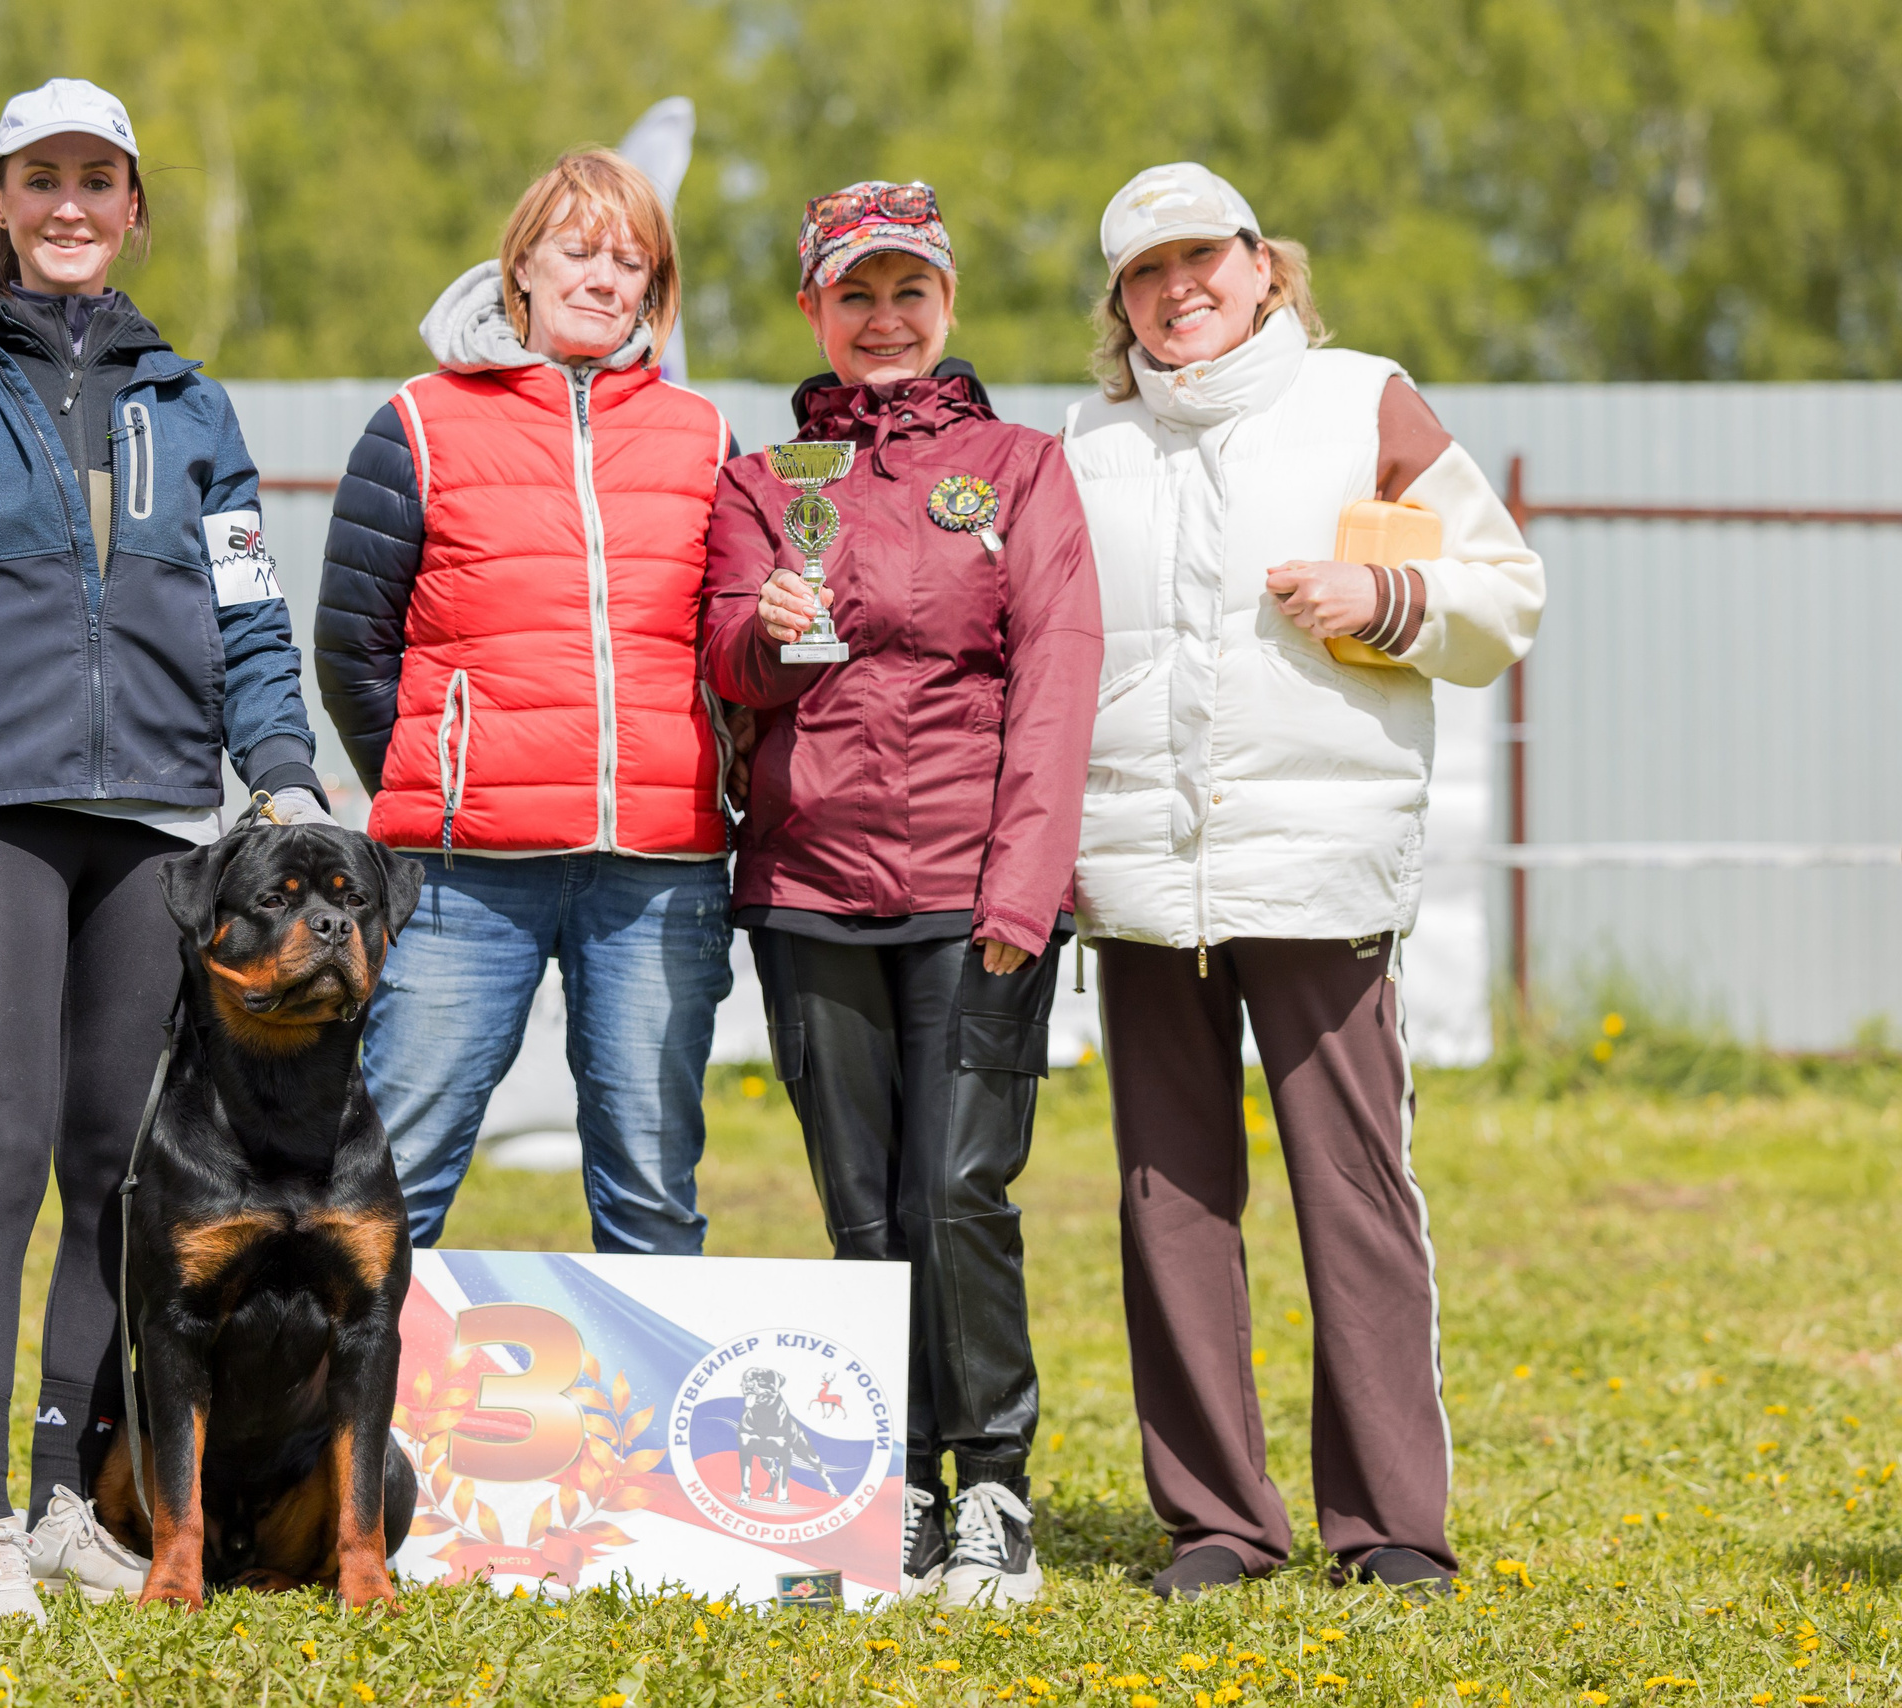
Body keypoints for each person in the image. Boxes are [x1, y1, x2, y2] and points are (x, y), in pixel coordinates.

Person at [0, 77, 329, 1623]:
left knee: (116, 1173)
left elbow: (248, 610)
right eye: (41, 180)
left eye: (98, 179)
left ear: (136, 204)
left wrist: (283, 777)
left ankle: (54, 1500)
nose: (71, 206)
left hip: (160, 820)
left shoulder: (196, 402)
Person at [1063, 163, 1545, 1600]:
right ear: (1121, 302)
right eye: (1147, 272)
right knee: (1170, 1203)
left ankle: (1392, 1525)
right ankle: (1217, 1520)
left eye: (1203, 257)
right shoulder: (1086, 446)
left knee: (1354, 1190)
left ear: (1265, 264)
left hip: (1323, 876)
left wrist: (1385, 599)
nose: (1179, 288)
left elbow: (1505, 593)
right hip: (1143, 880)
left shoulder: (1363, 400)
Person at [699, 182, 1101, 1607]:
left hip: (972, 893)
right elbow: (730, 663)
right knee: (860, 1206)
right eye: (854, 293)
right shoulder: (762, 479)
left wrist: (1025, 890)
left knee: (959, 1188)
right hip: (806, 889)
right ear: (814, 307)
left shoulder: (1023, 468)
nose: (884, 318)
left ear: (948, 306)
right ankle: (897, 1492)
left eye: (908, 290)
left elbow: (1058, 690)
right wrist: (766, 627)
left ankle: (992, 1484)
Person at [314, 149, 736, 1256]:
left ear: (654, 286)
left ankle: (646, 1427)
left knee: (652, 1189)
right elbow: (351, 646)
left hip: (657, 873)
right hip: (462, 878)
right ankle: (335, 1431)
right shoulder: (417, 422)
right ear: (523, 266)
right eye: (579, 250)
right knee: (391, 1179)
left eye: (630, 261)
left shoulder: (705, 438)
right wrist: (440, 785)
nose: (603, 278)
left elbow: (727, 644)